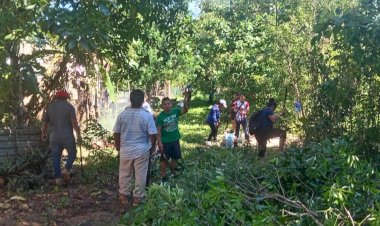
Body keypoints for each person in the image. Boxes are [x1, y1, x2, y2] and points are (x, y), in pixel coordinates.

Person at [113, 89, 157, 207]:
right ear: (143, 101)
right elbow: (153, 134)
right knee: (140, 175)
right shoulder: (146, 116)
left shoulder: (122, 115)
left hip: (125, 150)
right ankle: (137, 198)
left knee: (124, 173)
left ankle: (123, 195)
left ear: (130, 100)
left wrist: (118, 146)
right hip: (142, 150)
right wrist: (152, 147)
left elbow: (116, 132)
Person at [41, 90, 81, 185]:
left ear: (56, 97)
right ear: (66, 98)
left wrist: (43, 133)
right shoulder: (70, 107)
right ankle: (66, 169)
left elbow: (45, 123)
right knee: (73, 153)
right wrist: (79, 134)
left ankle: (58, 179)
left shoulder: (50, 107)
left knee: (56, 157)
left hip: (54, 137)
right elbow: (74, 123)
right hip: (67, 136)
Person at [156, 97, 188, 182]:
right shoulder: (160, 117)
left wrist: (185, 103)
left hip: (175, 139)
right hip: (165, 141)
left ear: (171, 104)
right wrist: (159, 143)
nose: (167, 105)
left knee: (175, 157)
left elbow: (184, 111)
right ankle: (163, 175)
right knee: (164, 160)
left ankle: (173, 172)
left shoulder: (175, 111)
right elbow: (158, 131)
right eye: (165, 104)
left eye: (168, 103)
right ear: (162, 106)